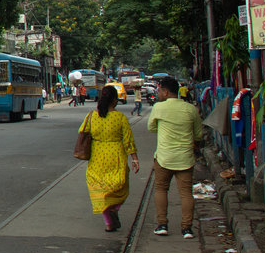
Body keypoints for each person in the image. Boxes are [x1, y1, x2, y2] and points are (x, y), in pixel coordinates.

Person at [148, 75, 205, 237]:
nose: (158, 94)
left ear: (165, 92)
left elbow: (151, 128)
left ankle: (162, 224)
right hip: (185, 158)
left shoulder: (158, 108)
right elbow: (198, 135)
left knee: (160, 189)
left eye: (159, 91)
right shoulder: (190, 109)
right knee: (186, 193)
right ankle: (187, 228)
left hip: (164, 157)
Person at [82, 84, 140, 232]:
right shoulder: (120, 117)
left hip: (97, 157)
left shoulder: (92, 116)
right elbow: (128, 140)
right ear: (115, 100)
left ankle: (108, 222)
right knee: (120, 186)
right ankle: (114, 209)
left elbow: (82, 132)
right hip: (116, 156)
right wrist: (134, 159)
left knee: (101, 190)